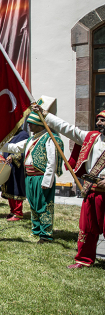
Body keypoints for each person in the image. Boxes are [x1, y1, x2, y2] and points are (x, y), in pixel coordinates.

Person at [32, 104, 105, 267]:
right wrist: (45, 115)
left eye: (103, 120)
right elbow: (68, 129)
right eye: (98, 120)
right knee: (87, 228)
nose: (99, 123)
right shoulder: (91, 137)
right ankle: (84, 260)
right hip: (92, 190)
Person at [0, 113, 63, 243]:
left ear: (39, 125)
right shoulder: (31, 139)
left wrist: (47, 180)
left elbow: (52, 162)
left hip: (41, 177)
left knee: (44, 205)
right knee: (34, 205)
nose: (28, 125)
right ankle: (36, 230)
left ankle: (46, 234)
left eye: (31, 123)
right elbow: (15, 147)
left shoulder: (49, 138)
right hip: (29, 177)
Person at [1, 127, 29, 221]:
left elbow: (23, 151)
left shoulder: (23, 135)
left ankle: (18, 213)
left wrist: (13, 157)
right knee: (10, 189)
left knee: (16, 189)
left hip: (17, 168)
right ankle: (12, 211)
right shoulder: (10, 135)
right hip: (9, 167)